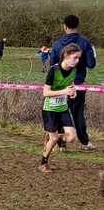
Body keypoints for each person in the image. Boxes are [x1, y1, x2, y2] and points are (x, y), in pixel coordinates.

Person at [50, 15, 97, 149]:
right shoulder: (85, 43)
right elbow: (91, 64)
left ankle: (61, 143)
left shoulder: (57, 44)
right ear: (77, 25)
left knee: (60, 112)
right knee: (78, 114)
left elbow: (52, 65)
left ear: (65, 26)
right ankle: (85, 143)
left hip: (60, 84)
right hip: (78, 84)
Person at [40, 44, 82, 174]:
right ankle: (43, 163)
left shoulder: (73, 70)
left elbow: (70, 83)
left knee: (71, 137)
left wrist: (73, 91)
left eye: (79, 58)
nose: (77, 61)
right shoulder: (54, 70)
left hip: (63, 108)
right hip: (50, 109)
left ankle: (55, 138)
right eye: (75, 57)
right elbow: (45, 93)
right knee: (53, 138)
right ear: (66, 56)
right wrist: (64, 91)